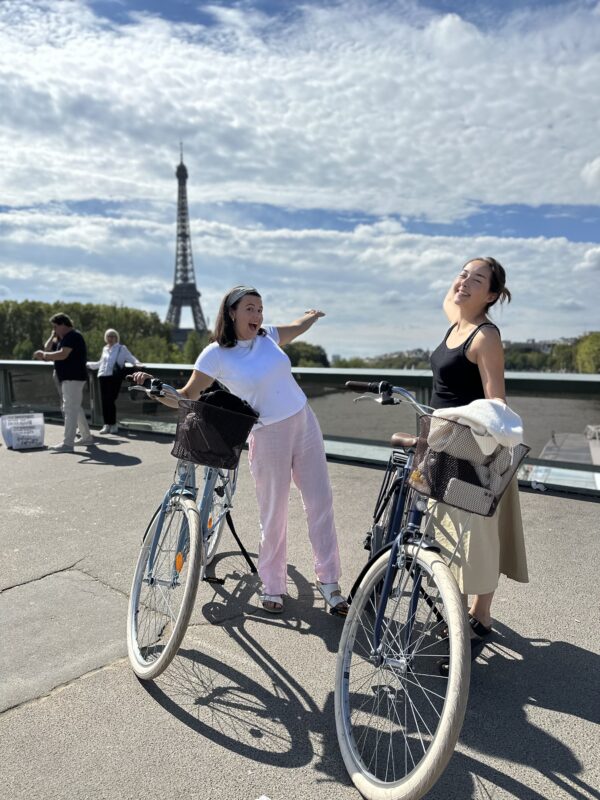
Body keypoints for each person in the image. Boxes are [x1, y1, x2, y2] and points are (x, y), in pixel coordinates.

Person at [132, 285, 347, 616]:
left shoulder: (267, 337)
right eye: (250, 308)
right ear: (231, 311)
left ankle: (330, 582)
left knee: (320, 502)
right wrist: (155, 390)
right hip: (268, 433)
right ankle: (273, 584)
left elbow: (296, 328)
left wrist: (309, 317)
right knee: (273, 514)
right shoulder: (215, 355)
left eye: (260, 308)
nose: (257, 315)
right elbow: (188, 395)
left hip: (304, 420)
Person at [428, 257, 528, 653]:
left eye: (477, 279)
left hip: (472, 446)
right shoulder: (456, 320)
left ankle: (480, 617)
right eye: (461, 274)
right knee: (449, 530)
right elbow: (449, 297)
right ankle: (463, 609)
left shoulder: (485, 336)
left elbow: (497, 401)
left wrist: (460, 418)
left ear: (491, 295)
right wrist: (462, 282)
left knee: (477, 536)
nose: (464, 282)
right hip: (441, 441)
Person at [33, 313, 94, 453]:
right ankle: (86, 437)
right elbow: (53, 349)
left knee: (70, 409)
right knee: (75, 408)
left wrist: (45, 356)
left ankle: (68, 443)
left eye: (55, 326)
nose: (54, 329)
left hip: (73, 377)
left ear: (62, 325)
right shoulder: (65, 338)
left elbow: (63, 354)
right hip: (70, 378)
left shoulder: (73, 336)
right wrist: (48, 349)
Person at [87, 329, 142, 434]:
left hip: (114, 377)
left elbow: (131, 358)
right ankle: (107, 424)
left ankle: (113, 425)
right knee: (104, 402)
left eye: (112, 336)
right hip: (103, 376)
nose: (110, 338)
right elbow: (101, 363)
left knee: (110, 401)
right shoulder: (105, 348)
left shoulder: (121, 348)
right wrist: (89, 365)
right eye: (108, 336)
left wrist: (138, 363)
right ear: (106, 338)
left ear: (116, 338)